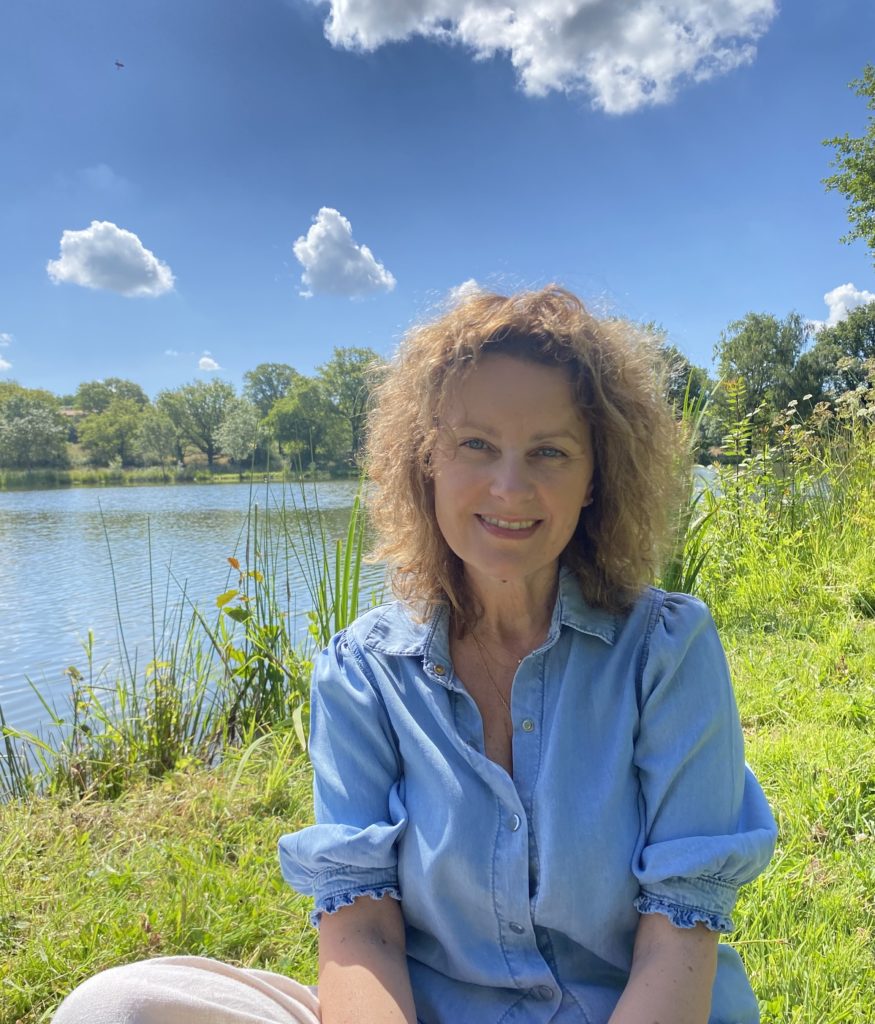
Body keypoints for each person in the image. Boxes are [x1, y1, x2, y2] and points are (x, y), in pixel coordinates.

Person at [52, 286, 776, 1024]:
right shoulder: (361, 671)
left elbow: (678, 928)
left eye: (549, 452)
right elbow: (359, 926)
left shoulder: (666, 649)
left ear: (596, 478)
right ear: (425, 459)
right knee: (119, 1006)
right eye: (475, 445)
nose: (509, 486)